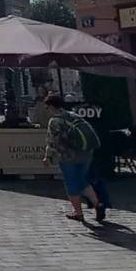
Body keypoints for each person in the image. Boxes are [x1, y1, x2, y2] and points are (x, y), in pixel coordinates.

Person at [42, 93, 105, 222]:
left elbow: (52, 142)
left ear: (51, 106)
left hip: (68, 156)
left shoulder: (55, 121)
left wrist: (47, 157)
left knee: (71, 183)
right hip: (86, 153)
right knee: (82, 180)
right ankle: (98, 204)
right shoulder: (73, 115)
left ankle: (78, 213)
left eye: (47, 107)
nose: (47, 110)